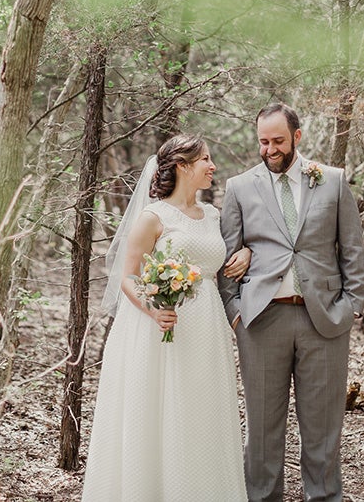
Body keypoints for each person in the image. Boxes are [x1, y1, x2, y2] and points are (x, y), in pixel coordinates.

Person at [82, 134, 251, 502]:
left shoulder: (213, 215)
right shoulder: (153, 216)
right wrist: (154, 308)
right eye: (205, 159)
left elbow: (222, 262)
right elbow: (127, 275)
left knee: (201, 411)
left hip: (207, 326)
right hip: (160, 327)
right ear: (183, 166)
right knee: (162, 412)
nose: (212, 166)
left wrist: (248, 253)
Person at [218, 103, 364, 502]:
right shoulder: (239, 187)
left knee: (323, 431)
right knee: (263, 431)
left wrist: (352, 305)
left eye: (278, 141)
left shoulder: (332, 181)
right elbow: (226, 257)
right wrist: (235, 312)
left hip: (325, 321)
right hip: (262, 322)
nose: (270, 149)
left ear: (297, 137)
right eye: (263, 142)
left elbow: (352, 247)